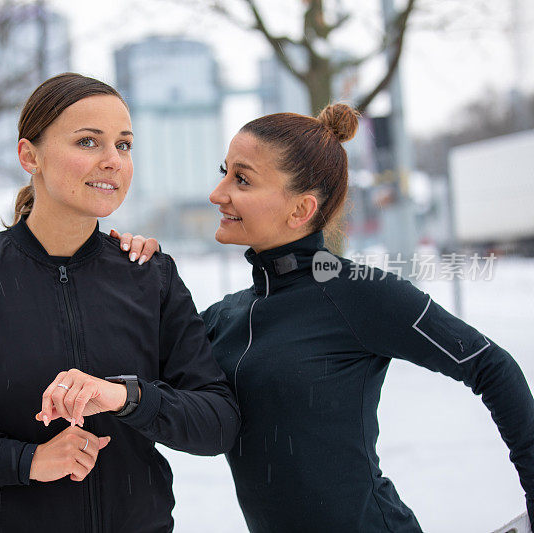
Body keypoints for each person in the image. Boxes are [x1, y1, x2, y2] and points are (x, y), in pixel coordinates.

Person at [113, 104, 534, 532]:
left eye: (241, 178)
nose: (217, 193)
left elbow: (490, 366)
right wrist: (138, 277)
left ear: (300, 210)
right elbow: (144, 383)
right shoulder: (226, 317)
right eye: (224, 172)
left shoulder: (360, 294)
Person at [0, 72, 240, 533]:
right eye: (88, 141)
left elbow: (217, 422)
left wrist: (127, 397)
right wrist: (25, 461)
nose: (112, 161)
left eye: (123, 145)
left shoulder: (150, 274)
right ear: (30, 155)